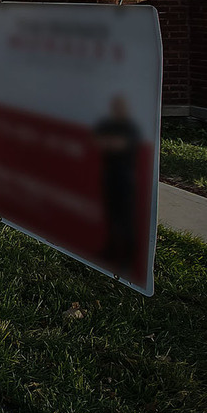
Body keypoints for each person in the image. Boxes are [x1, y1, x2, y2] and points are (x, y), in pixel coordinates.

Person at [93, 95, 142, 277]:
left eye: (121, 106)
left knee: (126, 218)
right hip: (109, 175)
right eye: (115, 106)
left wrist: (110, 143)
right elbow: (98, 142)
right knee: (111, 215)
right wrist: (110, 143)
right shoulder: (107, 124)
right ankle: (111, 250)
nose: (118, 109)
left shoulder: (130, 127)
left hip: (125, 178)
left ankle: (128, 258)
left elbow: (120, 145)